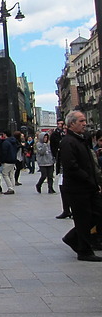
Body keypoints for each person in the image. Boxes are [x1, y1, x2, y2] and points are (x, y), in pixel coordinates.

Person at [59, 111, 102, 262]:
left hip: (89, 186)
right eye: (81, 121)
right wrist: (87, 178)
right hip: (78, 188)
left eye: (84, 121)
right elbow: (71, 166)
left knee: (96, 214)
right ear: (71, 124)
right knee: (83, 218)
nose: (84, 123)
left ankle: (72, 237)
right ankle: (84, 251)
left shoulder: (80, 140)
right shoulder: (68, 142)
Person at [52, 119, 72, 219]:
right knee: (63, 188)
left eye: (64, 127)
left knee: (70, 190)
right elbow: (55, 149)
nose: (63, 129)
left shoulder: (71, 139)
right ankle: (66, 210)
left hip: (70, 169)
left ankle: (71, 210)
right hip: (62, 168)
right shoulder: (58, 136)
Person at [0, 130, 18, 195]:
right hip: (13, 160)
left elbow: (4, 152)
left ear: (4, 134)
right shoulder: (14, 141)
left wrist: (2, 160)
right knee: (11, 174)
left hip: (7, 160)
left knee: (5, 174)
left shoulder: (5, 142)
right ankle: (12, 186)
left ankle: (10, 188)